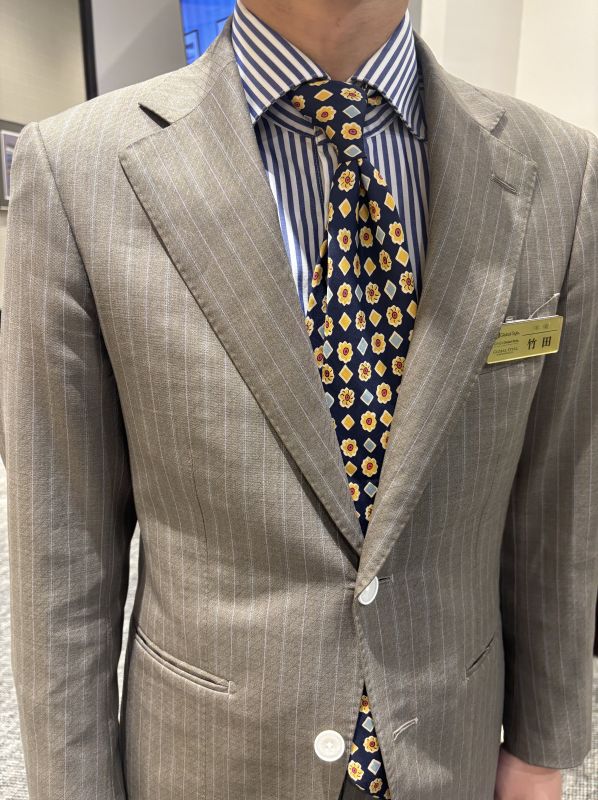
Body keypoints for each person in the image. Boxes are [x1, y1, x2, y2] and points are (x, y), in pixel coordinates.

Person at [1, 1, 596, 798]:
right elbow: (61, 546)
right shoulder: (77, 170)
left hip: (450, 748)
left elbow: (560, 500)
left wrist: (541, 748)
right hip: (207, 762)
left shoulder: (560, 171)